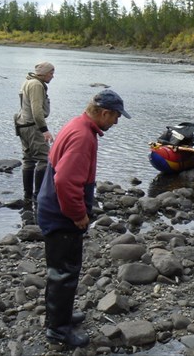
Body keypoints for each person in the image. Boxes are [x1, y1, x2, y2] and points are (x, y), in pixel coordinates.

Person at [37, 89, 131, 348]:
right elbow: (65, 181)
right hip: (61, 214)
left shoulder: (78, 125)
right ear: (104, 113)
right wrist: (78, 215)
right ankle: (58, 331)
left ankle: (60, 316)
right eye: (116, 117)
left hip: (52, 207)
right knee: (64, 273)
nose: (116, 121)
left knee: (60, 270)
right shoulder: (82, 136)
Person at [14, 62, 55, 214]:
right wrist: (44, 130)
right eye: (51, 72)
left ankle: (27, 197)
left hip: (22, 125)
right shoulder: (36, 85)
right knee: (45, 159)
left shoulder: (27, 81)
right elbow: (37, 109)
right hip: (32, 126)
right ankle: (38, 196)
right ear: (43, 73)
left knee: (28, 160)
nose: (52, 76)